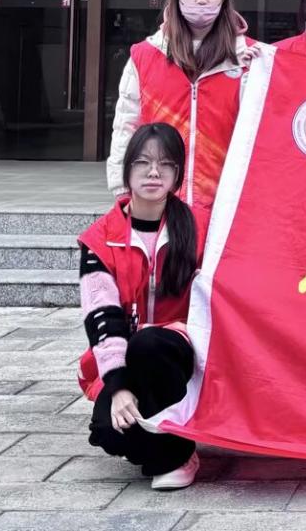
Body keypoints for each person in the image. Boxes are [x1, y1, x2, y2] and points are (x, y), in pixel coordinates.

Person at [79, 122, 205, 490]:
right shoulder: (100, 239)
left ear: (178, 173)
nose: (153, 172)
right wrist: (118, 387)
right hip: (128, 357)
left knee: (149, 343)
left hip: (182, 354)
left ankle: (177, 453)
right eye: (143, 162)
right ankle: (170, 448)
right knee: (108, 430)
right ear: (127, 168)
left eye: (165, 164)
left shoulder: (200, 227)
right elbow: (102, 315)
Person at [106, 0, 253, 215]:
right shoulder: (145, 56)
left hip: (227, 202)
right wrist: (121, 185)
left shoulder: (248, 59)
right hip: (160, 199)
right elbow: (126, 124)